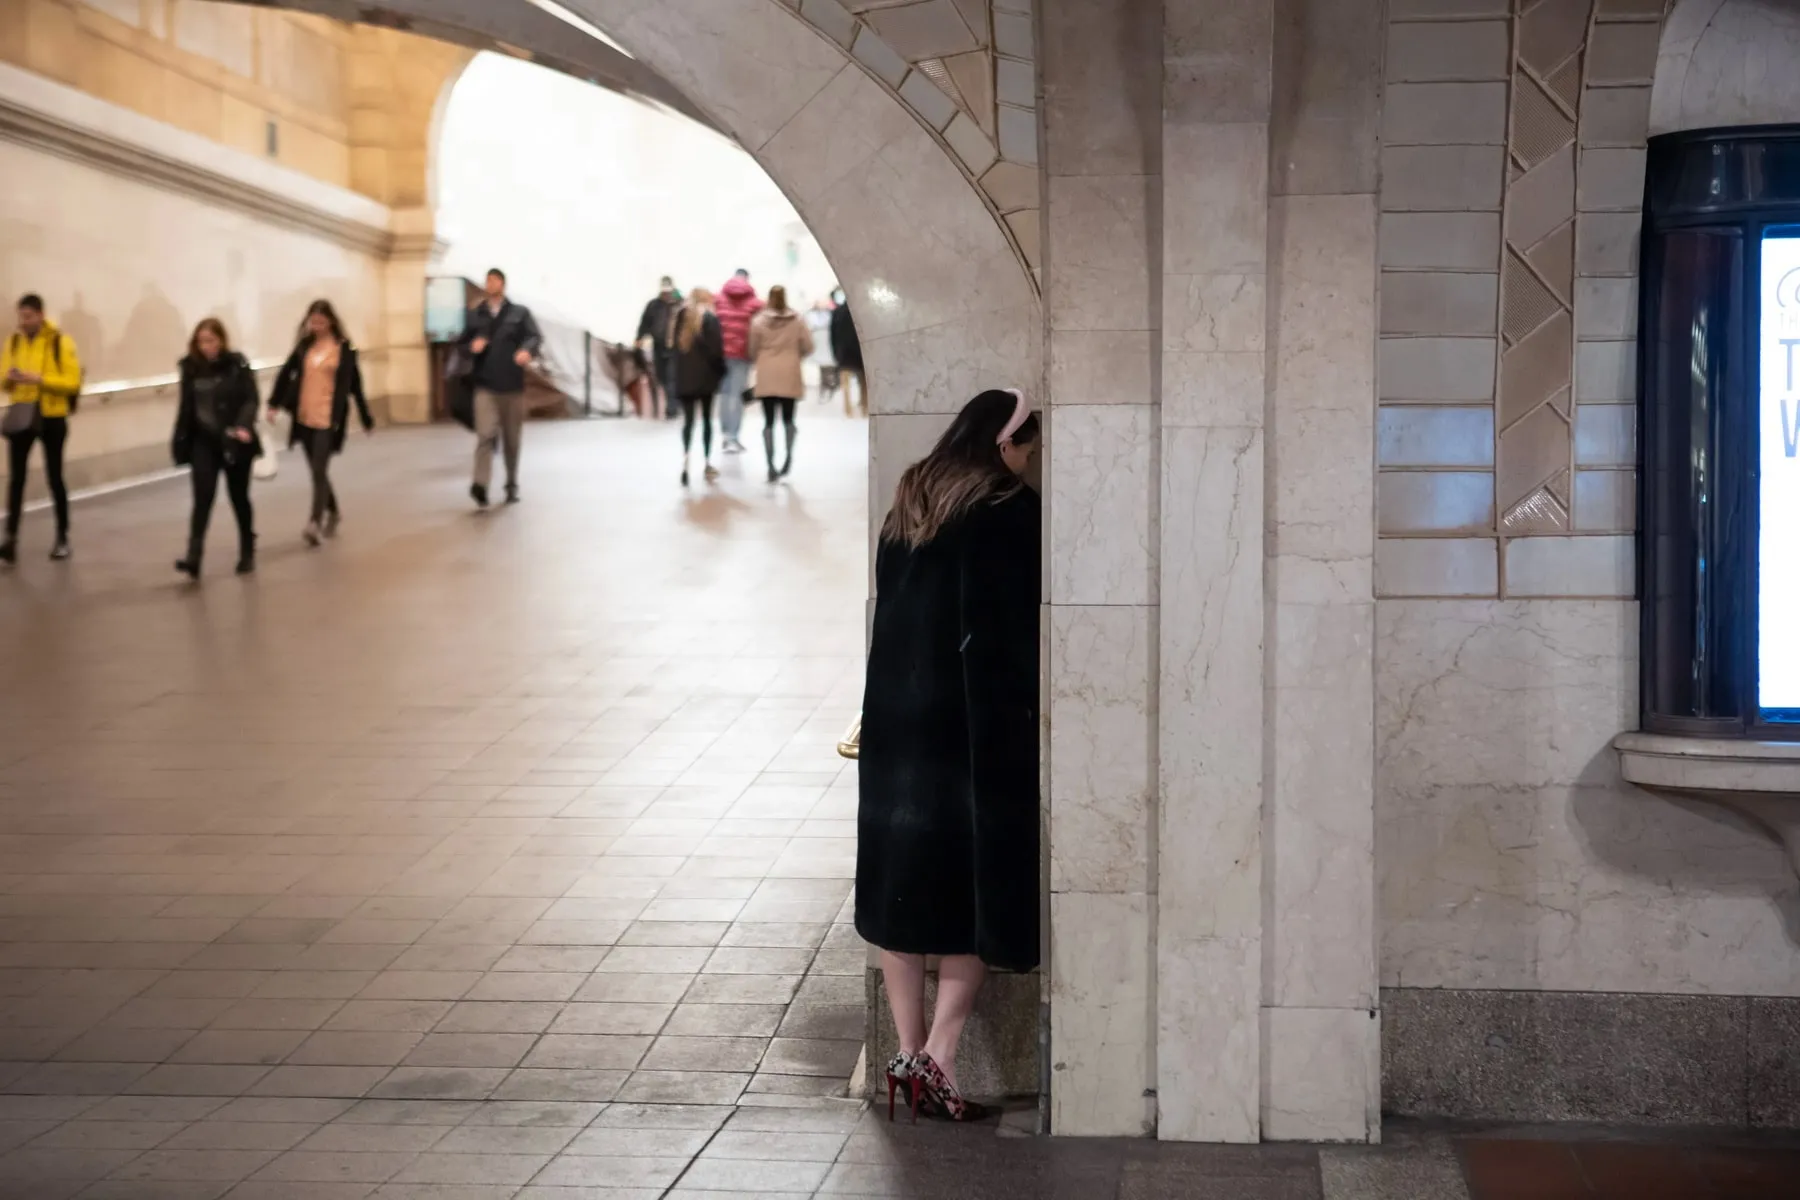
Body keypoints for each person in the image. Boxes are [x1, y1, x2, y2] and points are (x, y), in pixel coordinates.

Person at [857, 388, 1041, 1124]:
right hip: (966, 728)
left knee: (899, 892)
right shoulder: (1003, 507)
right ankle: (941, 1055)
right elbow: (1009, 633)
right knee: (973, 895)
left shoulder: (910, 499)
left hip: (896, 721)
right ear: (1004, 443)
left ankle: (904, 1056)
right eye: (1027, 449)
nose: (1028, 463)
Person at [268, 300, 374, 547]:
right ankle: (333, 508)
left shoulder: (344, 350)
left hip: (328, 418)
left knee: (318, 468)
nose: (315, 326)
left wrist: (366, 418)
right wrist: (273, 403)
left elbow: (356, 386)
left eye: (320, 321)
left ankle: (313, 522)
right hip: (305, 416)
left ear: (331, 322)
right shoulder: (304, 347)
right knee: (318, 470)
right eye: (312, 321)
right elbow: (286, 373)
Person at [172, 318, 260, 578]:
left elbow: (251, 398)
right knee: (202, 498)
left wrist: (244, 426)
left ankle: (247, 547)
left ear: (221, 340)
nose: (206, 346)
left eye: (210, 340)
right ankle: (194, 557)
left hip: (234, 439)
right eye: (201, 341)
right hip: (203, 442)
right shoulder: (190, 368)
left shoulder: (236, 364)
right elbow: (185, 407)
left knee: (238, 497)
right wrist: (180, 440)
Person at [1, 294, 83, 563]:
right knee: (16, 479)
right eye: (20, 317)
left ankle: (62, 537)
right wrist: (10, 378)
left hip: (51, 417)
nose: (23, 322)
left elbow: (72, 382)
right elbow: (2, 379)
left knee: (55, 477)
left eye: (28, 316)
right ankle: (10, 539)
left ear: (40, 314)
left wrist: (39, 379)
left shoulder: (60, 342)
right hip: (22, 414)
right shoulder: (14, 342)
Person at [460, 268, 542, 507]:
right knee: (485, 434)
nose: (490, 284)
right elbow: (461, 343)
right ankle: (480, 484)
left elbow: (534, 336)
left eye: (494, 280)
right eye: (487, 280)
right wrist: (471, 346)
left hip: (512, 386)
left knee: (511, 439)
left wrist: (527, 350)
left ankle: (511, 482)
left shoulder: (519, 313)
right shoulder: (476, 314)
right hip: (485, 385)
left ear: (503, 284)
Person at [748, 285, 813, 483]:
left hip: (767, 373)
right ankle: (787, 458)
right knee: (788, 419)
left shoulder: (758, 321)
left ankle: (770, 465)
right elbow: (808, 346)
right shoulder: (797, 320)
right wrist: (794, 355)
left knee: (768, 421)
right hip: (789, 372)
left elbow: (751, 349)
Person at [673, 287, 725, 486]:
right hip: (706, 379)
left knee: (688, 422)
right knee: (706, 421)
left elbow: (674, 348)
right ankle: (706, 462)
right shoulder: (710, 319)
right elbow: (716, 351)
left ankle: (686, 461)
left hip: (684, 378)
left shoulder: (680, 317)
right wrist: (721, 372)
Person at [713, 269, 763, 453]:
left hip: (721, 355)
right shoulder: (756, 303)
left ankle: (726, 435)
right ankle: (733, 437)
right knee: (737, 395)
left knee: (725, 394)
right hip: (742, 355)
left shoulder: (718, 300)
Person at [635, 276, 681, 420]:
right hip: (658, 345)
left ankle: (672, 407)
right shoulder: (653, 305)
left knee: (672, 376)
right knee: (661, 376)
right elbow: (645, 322)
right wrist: (639, 338)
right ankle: (673, 402)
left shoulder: (679, 304)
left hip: (676, 347)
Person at [830, 289, 865, 417]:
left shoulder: (837, 312)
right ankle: (865, 408)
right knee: (864, 383)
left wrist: (835, 352)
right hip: (859, 353)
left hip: (843, 353)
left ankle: (848, 410)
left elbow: (833, 335)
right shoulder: (861, 312)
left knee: (845, 384)